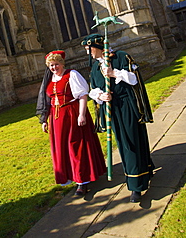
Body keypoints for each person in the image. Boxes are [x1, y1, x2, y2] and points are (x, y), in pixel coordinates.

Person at [81, 34, 154, 203]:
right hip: (112, 109)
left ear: (98, 46)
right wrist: (101, 95)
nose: (88, 53)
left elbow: (134, 79)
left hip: (127, 105)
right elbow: (93, 89)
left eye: (89, 49)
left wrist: (113, 73)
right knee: (124, 142)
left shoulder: (122, 57)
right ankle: (145, 169)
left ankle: (136, 185)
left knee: (132, 141)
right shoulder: (95, 68)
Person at [36, 50, 106, 196]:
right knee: (61, 148)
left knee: (76, 146)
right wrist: (44, 120)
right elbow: (48, 101)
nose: (54, 68)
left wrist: (81, 114)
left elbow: (82, 95)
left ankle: (82, 181)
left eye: (56, 64)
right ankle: (69, 176)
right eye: (51, 65)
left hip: (71, 114)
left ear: (62, 63)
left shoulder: (72, 75)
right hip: (56, 118)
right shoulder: (50, 78)